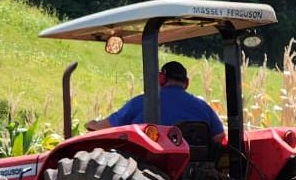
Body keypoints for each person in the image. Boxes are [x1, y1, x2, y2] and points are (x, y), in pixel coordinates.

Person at [85, 61, 225, 143]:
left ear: (161, 79)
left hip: (148, 172)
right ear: (186, 82)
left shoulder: (142, 102)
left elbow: (107, 127)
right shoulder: (203, 106)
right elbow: (219, 136)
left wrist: (92, 124)